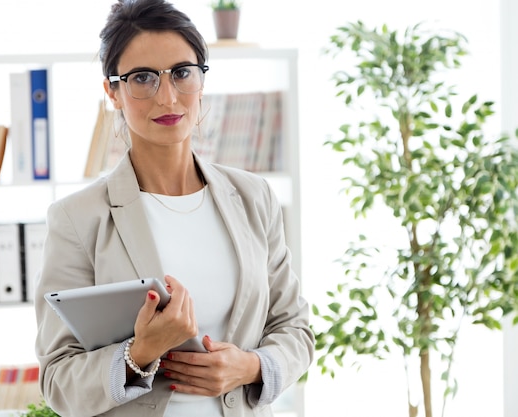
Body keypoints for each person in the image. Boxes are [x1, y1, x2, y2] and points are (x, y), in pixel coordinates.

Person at [34, 0, 314, 416]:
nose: (167, 97)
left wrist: (251, 366)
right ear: (113, 91)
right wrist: (141, 351)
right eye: (142, 78)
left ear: (202, 81)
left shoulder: (255, 197)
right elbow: (58, 381)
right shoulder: (77, 219)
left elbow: (295, 330)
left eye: (182, 73)